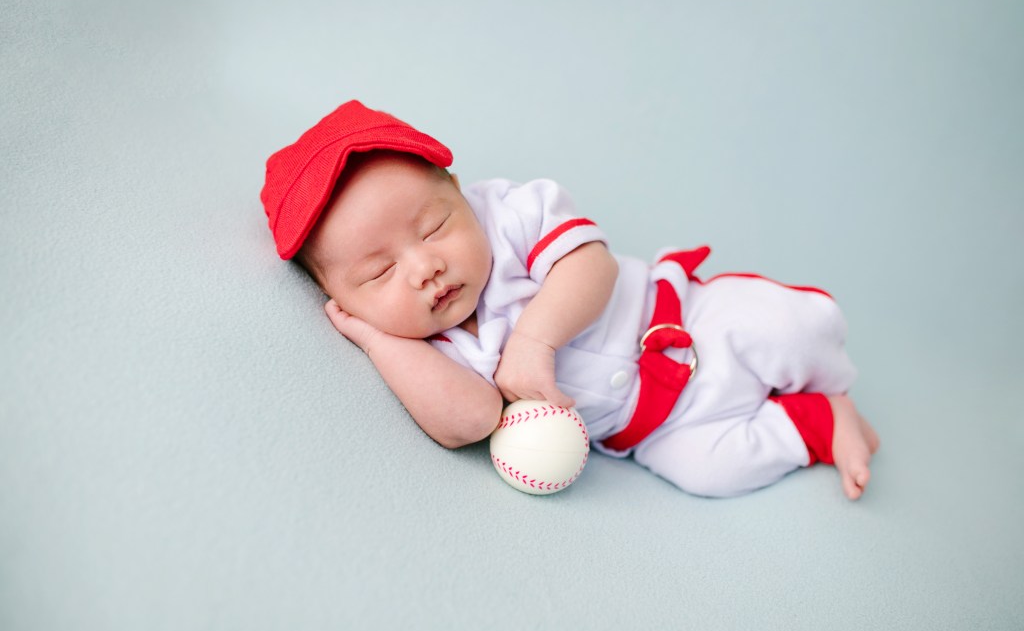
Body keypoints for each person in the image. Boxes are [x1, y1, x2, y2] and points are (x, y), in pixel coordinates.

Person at [260, 100, 879, 499]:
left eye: (434, 226)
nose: (426, 267)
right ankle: (818, 423)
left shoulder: (508, 215)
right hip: (657, 428)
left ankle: (830, 379)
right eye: (380, 273)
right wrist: (380, 341)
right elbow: (470, 421)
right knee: (712, 474)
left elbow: (591, 264)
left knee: (785, 331)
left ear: (459, 190)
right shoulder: (426, 349)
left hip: (690, 321)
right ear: (341, 301)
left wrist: (535, 340)